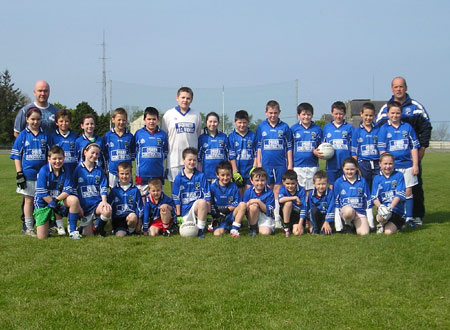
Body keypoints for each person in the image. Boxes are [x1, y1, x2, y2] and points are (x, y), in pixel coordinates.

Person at [376, 77, 432, 226]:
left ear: (406, 88)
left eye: (401, 86)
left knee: (414, 187)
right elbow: (379, 132)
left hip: (410, 159)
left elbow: (426, 127)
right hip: (391, 163)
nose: (398, 89)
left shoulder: (415, 107)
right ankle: (389, 216)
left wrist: (422, 147)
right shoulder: (384, 110)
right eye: (396, 87)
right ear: (392, 89)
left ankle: (416, 215)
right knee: (390, 189)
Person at [377, 101, 420, 227]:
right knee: (394, 193)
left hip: (407, 165)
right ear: (387, 114)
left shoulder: (407, 127)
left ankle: (409, 218)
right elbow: (382, 150)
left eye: (397, 113)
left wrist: (415, 164)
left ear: (401, 113)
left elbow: (414, 147)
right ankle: (392, 217)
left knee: (408, 192)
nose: (395, 115)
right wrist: (388, 165)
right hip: (392, 168)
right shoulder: (384, 129)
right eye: (392, 113)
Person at [10, 107, 49, 236]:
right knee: (29, 200)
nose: (35, 122)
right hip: (28, 174)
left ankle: (42, 224)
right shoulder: (23, 135)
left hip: (42, 175)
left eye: (38, 119)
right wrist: (19, 173)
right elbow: (16, 156)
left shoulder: (45, 135)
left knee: (42, 200)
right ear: (27, 119)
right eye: (32, 119)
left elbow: (50, 154)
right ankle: (29, 227)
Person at [256, 100, 293, 228]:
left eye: (275, 113)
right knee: (267, 188)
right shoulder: (261, 127)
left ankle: (277, 217)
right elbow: (259, 148)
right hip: (266, 164)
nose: (273, 115)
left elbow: (289, 147)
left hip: (280, 164)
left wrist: (290, 165)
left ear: (279, 112)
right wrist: (258, 164)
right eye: (270, 113)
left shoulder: (285, 127)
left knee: (277, 189)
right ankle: (267, 216)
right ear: (266, 113)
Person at [33, 146, 81, 239]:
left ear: (64, 158)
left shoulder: (67, 169)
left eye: (60, 158)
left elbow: (68, 190)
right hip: (44, 202)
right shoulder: (43, 170)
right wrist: (52, 203)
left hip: (58, 200)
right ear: (49, 159)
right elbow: (42, 193)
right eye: (54, 159)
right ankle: (52, 224)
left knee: (74, 200)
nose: (57, 161)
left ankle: (72, 230)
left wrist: (56, 201)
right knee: (42, 237)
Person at [161, 87, 202, 184]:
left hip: (191, 160)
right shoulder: (168, 114)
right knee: (175, 189)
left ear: (191, 100)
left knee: (191, 188)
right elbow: (164, 136)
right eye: (182, 97)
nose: (185, 100)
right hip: (174, 160)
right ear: (177, 98)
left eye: (188, 98)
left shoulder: (196, 115)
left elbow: (198, 135)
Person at [72, 142, 111, 238]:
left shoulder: (99, 170)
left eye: (97, 154)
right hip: (83, 207)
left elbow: (103, 187)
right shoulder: (78, 170)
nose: (94, 156)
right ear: (85, 152)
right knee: (88, 234)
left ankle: (99, 228)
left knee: (107, 210)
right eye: (92, 153)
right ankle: (82, 227)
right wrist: (78, 206)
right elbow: (73, 189)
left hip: (96, 205)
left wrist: (104, 201)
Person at [172, 147, 211, 238]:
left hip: (196, 210)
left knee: (202, 202)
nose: (192, 162)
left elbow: (207, 196)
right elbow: (176, 199)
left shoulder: (201, 176)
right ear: (183, 160)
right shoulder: (178, 178)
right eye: (189, 160)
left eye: (194, 160)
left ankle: (200, 230)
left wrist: (209, 213)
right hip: (184, 212)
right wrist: (178, 215)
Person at [134, 107, 168, 197]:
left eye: (154, 119)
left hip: (158, 174)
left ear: (158, 120)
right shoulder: (138, 134)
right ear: (144, 120)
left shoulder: (163, 135)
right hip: (142, 174)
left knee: (158, 198)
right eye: (149, 119)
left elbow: (165, 152)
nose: (151, 121)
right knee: (142, 198)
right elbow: (135, 150)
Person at [333, 157, 372, 235]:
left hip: (359, 212)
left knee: (364, 233)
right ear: (343, 169)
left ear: (356, 168)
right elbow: (336, 203)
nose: (349, 172)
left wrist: (370, 221)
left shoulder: (362, 181)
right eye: (347, 169)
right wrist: (338, 225)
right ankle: (347, 224)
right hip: (345, 213)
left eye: (352, 169)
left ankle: (353, 225)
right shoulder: (338, 182)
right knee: (349, 211)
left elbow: (368, 200)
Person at [290, 102, 322, 194]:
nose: (306, 117)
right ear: (298, 115)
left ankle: (309, 208)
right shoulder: (293, 129)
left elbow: (321, 146)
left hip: (312, 165)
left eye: (308, 114)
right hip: (298, 166)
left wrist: (318, 152)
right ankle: (301, 207)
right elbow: (290, 148)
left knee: (312, 190)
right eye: (303, 114)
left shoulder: (317, 129)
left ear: (312, 115)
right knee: (298, 190)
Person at [371, 153, 406, 235]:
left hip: (396, 210)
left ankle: (399, 225)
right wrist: (381, 207)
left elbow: (399, 194)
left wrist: (390, 207)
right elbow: (374, 197)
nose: (388, 166)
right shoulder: (377, 178)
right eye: (385, 164)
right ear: (380, 164)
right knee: (381, 216)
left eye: (390, 164)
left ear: (394, 164)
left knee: (388, 233)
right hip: (383, 210)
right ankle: (381, 224)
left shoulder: (399, 175)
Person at [209, 160, 245, 237]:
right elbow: (210, 203)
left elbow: (237, 203)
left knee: (242, 205)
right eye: (223, 175)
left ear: (231, 175)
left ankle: (234, 229)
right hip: (219, 216)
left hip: (231, 214)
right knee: (217, 234)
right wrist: (215, 215)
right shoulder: (212, 187)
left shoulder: (234, 187)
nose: (225, 178)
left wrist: (226, 210)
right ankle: (226, 227)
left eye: (228, 175)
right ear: (217, 175)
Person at [322, 101, 354, 187]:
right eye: (336, 114)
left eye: (340, 114)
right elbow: (323, 145)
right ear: (332, 113)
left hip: (346, 164)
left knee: (345, 185)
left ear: (344, 114)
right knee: (332, 186)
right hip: (331, 164)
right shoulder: (327, 127)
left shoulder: (349, 127)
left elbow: (353, 146)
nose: (338, 116)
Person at [227, 110, 257, 196]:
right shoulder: (231, 137)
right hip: (238, 172)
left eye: (244, 122)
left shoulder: (253, 136)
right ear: (235, 122)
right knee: (238, 194)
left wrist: (254, 166)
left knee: (249, 193)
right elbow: (231, 156)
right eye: (239, 122)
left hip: (249, 171)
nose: (242, 125)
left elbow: (256, 153)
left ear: (248, 122)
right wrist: (235, 171)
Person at [108, 162, 142, 237]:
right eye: (122, 174)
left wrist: (139, 223)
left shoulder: (135, 190)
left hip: (130, 217)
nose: (124, 176)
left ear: (130, 174)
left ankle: (131, 231)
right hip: (118, 219)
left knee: (132, 217)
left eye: (127, 173)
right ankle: (121, 230)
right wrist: (110, 224)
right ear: (118, 174)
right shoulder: (114, 190)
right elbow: (110, 208)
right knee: (120, 235)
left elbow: (140, 208)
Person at [104, 108, 136, 189]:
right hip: (113, 171)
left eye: (124, 120)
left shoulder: (130, 136)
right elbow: (105, 153)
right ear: (113, 120)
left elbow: (132, 153)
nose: (121, 122)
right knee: (113, 194)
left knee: (128, 191)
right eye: (119, 120)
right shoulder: (108, 135)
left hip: (126, 172)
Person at [351, 102, 380, 189]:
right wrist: (355, 167)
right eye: (366, 115)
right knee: (365, 188)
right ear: (361, 114)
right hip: (363, 164)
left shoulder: (378, 130)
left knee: (377, 188)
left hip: (377, 164)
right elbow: (354, 152)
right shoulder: (357, 131)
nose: (368, 118)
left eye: (371, 115)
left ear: (374, 116)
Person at [242, 167, 275, 237]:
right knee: (253, 206)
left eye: (262, 180)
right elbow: (244, 208)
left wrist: (258, 201)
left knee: (265, 232)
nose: (260, 183)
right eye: (257, 180)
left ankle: (258, 226)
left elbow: (268, 210)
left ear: (266, 180)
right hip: (252, 214)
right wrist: (250, 204)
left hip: (265, 216)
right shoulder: (248, 191)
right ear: (251, 181)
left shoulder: (270, 192)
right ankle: (253, 228)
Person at [198, 112, 228, 183]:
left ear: (218, 123)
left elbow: (228, 156)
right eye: (210, 121)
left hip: (221, 176)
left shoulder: (223, 137)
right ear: (206, 123)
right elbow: (199, 158)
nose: (212, 124)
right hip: (206, 175)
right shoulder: (201, 138)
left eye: (215, 122)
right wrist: (199, 174)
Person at [48, 109, 79, 174]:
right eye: (61, 121)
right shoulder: (52, 137)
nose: (64, 123)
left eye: (66, 121)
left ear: (70, 122)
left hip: (73, 170)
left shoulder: (75, 136)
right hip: (58, 171)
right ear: (56, 123)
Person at [278, 170, 306, 237]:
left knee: (297, 233)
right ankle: (286, 227)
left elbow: (303, 208)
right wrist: (295, 197)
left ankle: (293, 226)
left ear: (296, 182)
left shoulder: (302, 190)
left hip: (297, 216)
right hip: (286, 213)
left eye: (292, 183)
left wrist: (300, 224)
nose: (290, 186)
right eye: (287, 183)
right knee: (288, 203)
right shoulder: (282, 189)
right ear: (283, 182)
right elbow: (280, 200)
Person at [307, 170, 335, 235]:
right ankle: (315, 229)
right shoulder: (311, 194)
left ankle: (325, 227)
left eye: (323, 184)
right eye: (319, 184)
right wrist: (310, 225)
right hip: (316, 218)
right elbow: (309, 210)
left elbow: (331, 208)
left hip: (326, 218)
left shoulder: (330, 193)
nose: (321, 186)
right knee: (313, 210)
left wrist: (327, 221)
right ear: (314, 184)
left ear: (327, 183)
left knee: (325, 233)